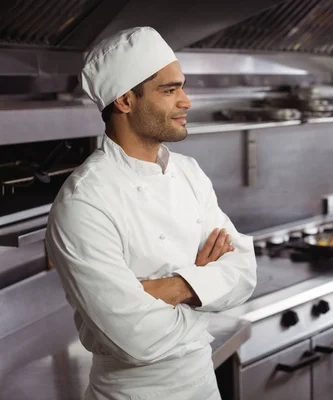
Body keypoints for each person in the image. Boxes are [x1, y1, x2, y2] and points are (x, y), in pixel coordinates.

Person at [45, 27, 257, 400]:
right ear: (125, 101)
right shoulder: (84, 202)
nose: (186, 101)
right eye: (170, 89)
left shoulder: (188, 172)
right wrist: (204, 284)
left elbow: (244, 273)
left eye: (182, 87)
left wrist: (165, 289)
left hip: (203, 387)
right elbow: (135, 339)